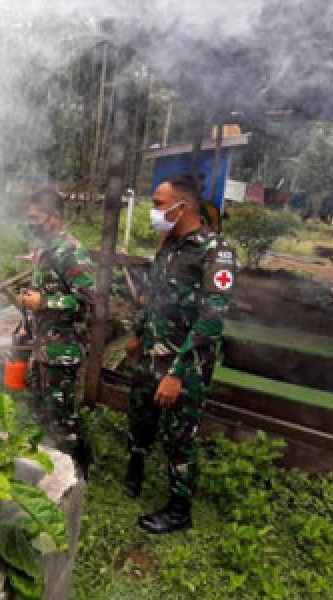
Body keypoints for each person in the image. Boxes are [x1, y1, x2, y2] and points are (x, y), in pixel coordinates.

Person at [124, 174, 235, 533]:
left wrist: (176, 373)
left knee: (179, 437)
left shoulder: (215, 252)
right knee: (140, 416)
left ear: (182, 206)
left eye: (158, 204)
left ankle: (179, 509)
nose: (153, 211)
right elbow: (153, 295)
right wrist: (137, 334)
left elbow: (211, 320)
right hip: (150, 354)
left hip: (184, 365)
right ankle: (135, 468)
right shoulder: (169, 244)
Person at [21, 188, 95, 468]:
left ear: (54, 217)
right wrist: (29, 322)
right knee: (40, 411)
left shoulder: (72, 253)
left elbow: (88, 302)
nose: (31, 224)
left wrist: (43, 302)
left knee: (62, 419)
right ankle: (47, 467)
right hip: (43, 347)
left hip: (63, 352)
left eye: (35, 218)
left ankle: (78, 471)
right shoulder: (44, 251)